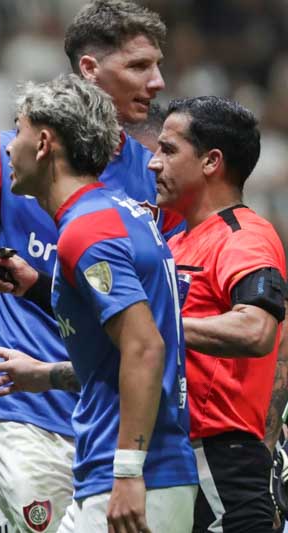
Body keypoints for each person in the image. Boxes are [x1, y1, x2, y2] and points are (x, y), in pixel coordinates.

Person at [0, 2, 178, 530]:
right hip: (18, 408)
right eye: (139, 66)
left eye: (157, 65)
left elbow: (159, 312)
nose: (157, 81)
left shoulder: (156, 178)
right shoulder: (7, 159)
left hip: (108, 417)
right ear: (89, 69)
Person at [0, 74, 197, 532]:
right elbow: (118, 356)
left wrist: (128, 473)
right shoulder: (117, 213)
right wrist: (43, 374)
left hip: (137, 478)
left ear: (42, 143)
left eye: (16, 131)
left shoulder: (88, 230)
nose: (8, 148)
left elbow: (145, 349)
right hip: (133, 474)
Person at [147, 96, 287, 532]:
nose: (153, 164)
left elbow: (257, 328)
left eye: (168, 150)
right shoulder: (175, 244)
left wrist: (156, 332)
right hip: (181, 459)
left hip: (220, 464)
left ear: (211, 162)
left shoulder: (244, 238)